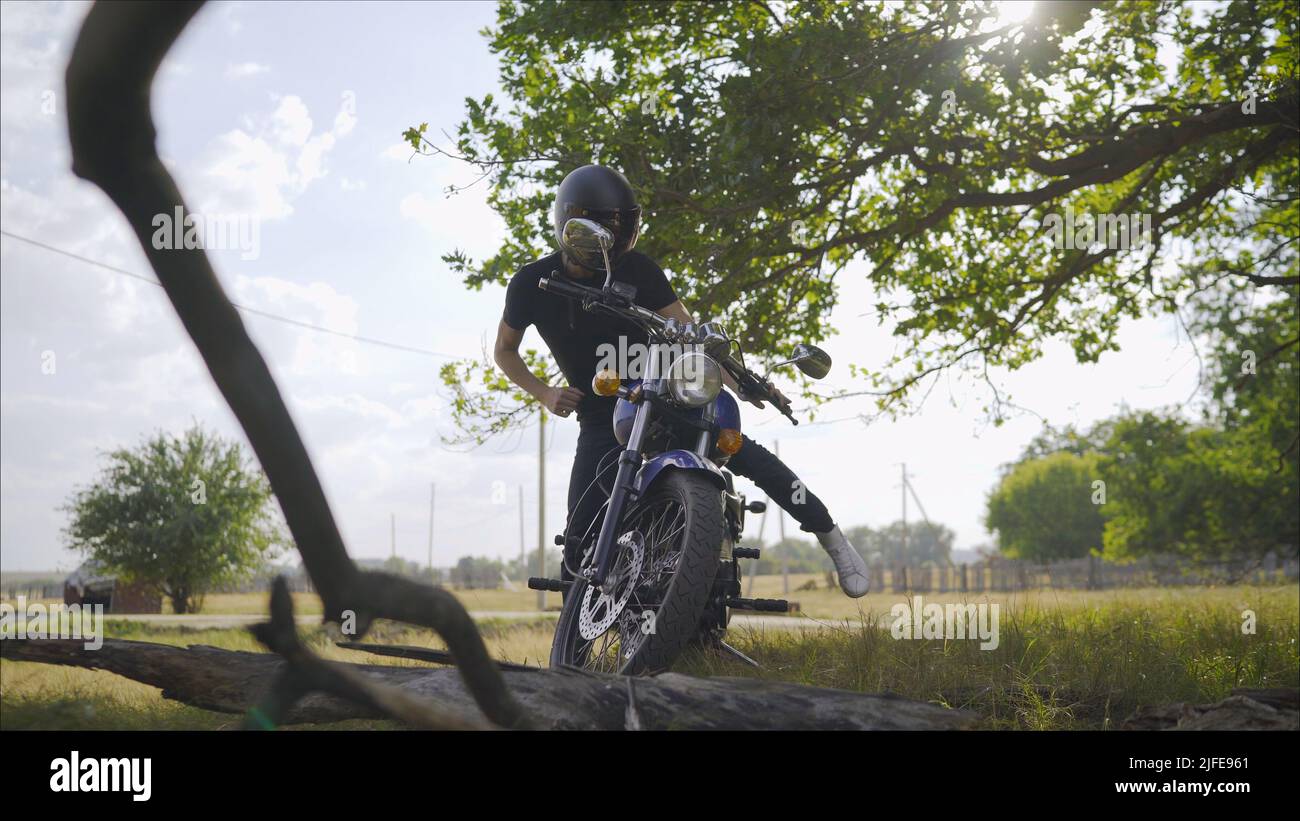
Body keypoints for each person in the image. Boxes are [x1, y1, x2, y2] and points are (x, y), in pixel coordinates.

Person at [492, 164, 869, 597]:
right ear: (573, 222)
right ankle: (586, 616)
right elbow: (504, 350)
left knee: (747, 453)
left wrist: (741, 380)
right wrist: (544, 392)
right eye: (603, 226)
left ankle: (832, 538)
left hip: (670, 396)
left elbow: (690, 331)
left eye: (621, 225)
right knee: (578, 541)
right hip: (603, 413)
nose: (612, 236)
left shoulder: (639, 270)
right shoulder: (530, 284)